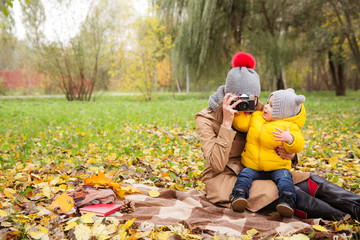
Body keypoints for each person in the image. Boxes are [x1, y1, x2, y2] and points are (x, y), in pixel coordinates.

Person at [195, 52, 360, 220]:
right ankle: (344, 218)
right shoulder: (206, 118)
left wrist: (291, 153)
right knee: (287, 193)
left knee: (311, 181)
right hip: (224, 178)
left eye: (252, 98)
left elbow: (282, 130)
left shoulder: (258, 109)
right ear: (229, 95)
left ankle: (357, 207)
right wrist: (226, 124)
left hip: (265, 168)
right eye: (241, 99)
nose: (247, 105)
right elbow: (216, 164)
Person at [230, 89, 305, 217]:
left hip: (277, 167)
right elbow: (241, 124)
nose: (265, 106)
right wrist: (237, 113)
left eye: (271, 106)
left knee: (285, 180)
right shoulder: (257, 117)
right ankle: (239, 196)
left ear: (281, 113)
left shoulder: (289, 127)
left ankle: (287, 202)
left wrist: (290, 139)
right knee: (244, 175)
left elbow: (298, 145)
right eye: (267, 103)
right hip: (253, 165)